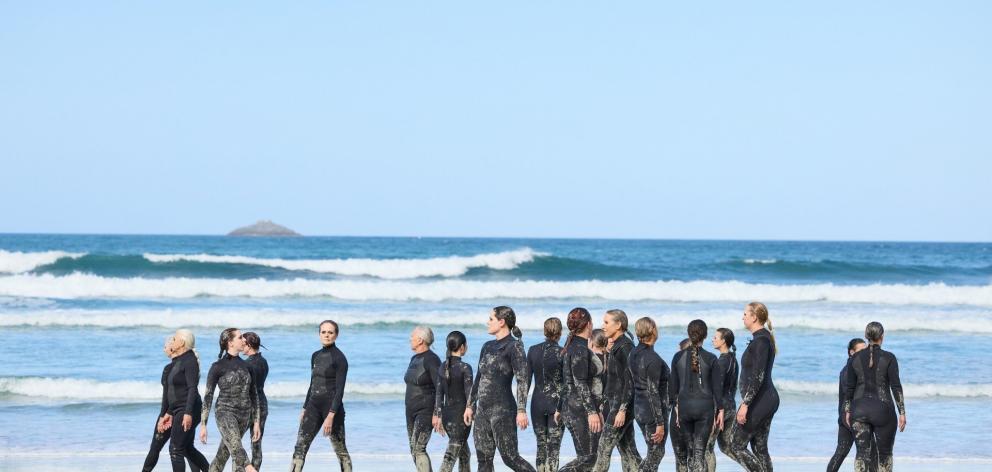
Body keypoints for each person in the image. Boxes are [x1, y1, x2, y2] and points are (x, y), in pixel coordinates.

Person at [464, 306, 536, 472]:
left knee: (510, 458)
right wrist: (470, 405)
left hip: (503, 410)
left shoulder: (514, 346)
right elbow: (479, 378)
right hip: (482, 411)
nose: (487, 322)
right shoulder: (487, 346)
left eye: (491, 319)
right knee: (483, 461)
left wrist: (521, 409)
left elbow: (522, 380)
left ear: (502, 322)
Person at [844, 322, 906, 472]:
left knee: (862, 454)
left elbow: (849, 387)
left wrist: (847, 410)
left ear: (866, 337)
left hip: (858, 411)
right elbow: (895, 387)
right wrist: (902, 412)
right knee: (884, 456)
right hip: (883, 412)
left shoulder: (855, 358)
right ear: (882, 337)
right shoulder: (889, 358)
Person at [290, 320, 352, 472]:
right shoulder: (315, 356)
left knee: (340, 450)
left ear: (336, 335)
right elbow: (312, 384)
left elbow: (340, 390)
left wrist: (330, 416)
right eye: (323, 332)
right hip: (313, 407)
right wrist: (305, 407)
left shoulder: (340, 358)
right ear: (319, 334)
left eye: (330, 332)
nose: (327, 335)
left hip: (332, 409)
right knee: (300, 446)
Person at [199, 328, 261, 472]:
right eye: (240, 337)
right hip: (224, 412)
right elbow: (208, 396)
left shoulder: (248, 366)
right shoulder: (217, 367)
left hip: (244, 416)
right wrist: (203, 424)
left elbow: (254, 395)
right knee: (236, 445)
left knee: (224, 454)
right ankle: (249, 467)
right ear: (230, 342)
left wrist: (256, 422)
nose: (244, 340)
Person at [729, 302, 780, 472]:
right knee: (759, 448)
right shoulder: (761, 339)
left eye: (745, 314)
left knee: (735, 445)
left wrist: (745, 404)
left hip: (760, 401)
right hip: (764, 399)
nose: (742, 317)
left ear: (754, 317)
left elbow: (758, 376)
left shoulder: (761, 341)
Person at [670, 320, 724, 472]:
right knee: (699, 454)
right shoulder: (712, 358)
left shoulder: (677, 357)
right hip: (704, 409)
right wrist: (720, 409)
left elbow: (672, 387)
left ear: (689, 334)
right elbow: (717, 388)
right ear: (705, 336)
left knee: (690, 452)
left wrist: (676, 407)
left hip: (685, 408)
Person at [592, 309, 641, 472]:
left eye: (606, 322)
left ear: (618, 324)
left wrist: (622, 410)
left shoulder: (625, 347)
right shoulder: (617, 345)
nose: (603, 326)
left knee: (603, 449)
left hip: (621, 407)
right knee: (629, 451)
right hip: (616, 405)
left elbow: (631, 381)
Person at [556, 307, 601, 472]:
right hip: (579, 410)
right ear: (589, 324)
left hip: (570, 407)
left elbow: (565, 381)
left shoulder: (569, 346)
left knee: (586, 457)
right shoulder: (580, 349)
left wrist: (560, 408)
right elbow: (579, 382)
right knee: (588, 459)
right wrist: (592, 412)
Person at [164, 329, 210, 472]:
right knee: (186, 448)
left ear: (182, 342)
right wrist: (169, 412)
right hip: (180, 409)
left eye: (175, 338)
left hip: (188, 409)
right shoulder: (180, 359)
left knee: (175, 449)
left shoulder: (190, 361)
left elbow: (192, 389)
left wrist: (188, 413)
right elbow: (175, 391)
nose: (172, 340)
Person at [628, 317, 670, 472]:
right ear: (652, 330)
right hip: (652, 412)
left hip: (639, 408)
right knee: (656, 453)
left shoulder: (633, 352)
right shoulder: (652, 359)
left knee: (652, 452)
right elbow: (653, 392)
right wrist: (660, 423)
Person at [528, 317, 566, 472]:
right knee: (553, 449)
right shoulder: (563, 353)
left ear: (544, 331)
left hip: (536, 403)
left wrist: (521, 409)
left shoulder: (532, 350)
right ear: (560, 333)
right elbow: (566, 385)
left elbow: (524, 382)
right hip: (556, 404)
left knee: (540, 446)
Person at [433, 331, 474, 472]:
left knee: (464, 454)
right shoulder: (465, 368)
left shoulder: (442, 366)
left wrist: (438, 415)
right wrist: (471, 410)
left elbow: (438, 394)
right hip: (461, 418)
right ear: (462, 347)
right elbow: (470, 395)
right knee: (449, 459)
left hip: (447, 416)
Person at [827, 338, 870, 472]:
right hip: (851, 417)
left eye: (866, 350)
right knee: (864, 452)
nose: (865, 353)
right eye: (861, 350)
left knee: (841, 452)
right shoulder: (849, 370)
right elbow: (849, 394)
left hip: (847, 416)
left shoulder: (857, 368)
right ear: (852, 352)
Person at [142, 335, 184, 472]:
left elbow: (167, 397)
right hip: (183, 414)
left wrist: (163, 415)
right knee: (187, 449)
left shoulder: (168, 369)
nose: (164, 349)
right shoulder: (187, 366)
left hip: (169, 414)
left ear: (172, 348)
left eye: (165, 347)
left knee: (155, 447)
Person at [406, 325, 442, 472]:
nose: (410, 339)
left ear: (420, 340)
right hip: (410, 411)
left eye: (412, 337)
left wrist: (437, 413)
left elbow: (440, 387)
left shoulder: (432, 360)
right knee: (413, 449)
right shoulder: (414, 358)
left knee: (419, 448)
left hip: (426, 410)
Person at [706, 328, 739, 472]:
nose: (713, 339)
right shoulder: (733, 359)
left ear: (723, 341)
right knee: (727, 447)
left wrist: (716, 411)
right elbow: (733, 386)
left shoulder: (720, 362)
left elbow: (717, 390)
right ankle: (754, 467)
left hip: (720, 409)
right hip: (731, 406)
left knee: (707, 447)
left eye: (715, 337)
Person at [241, 332, 269, 471]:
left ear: (249, 345)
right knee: (256, 443)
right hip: (262, 404)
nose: (241, 345)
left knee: (234, 441)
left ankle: (244, 468)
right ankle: (255, 468)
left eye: (243, 342)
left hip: (249, 406)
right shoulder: (263, 361)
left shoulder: (247, 364)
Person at [670, 338, 692, 472]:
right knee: (696, 456)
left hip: (679, 414)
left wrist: (678, 412)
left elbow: (673, 392)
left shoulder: (678, 365)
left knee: (681, 457)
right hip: (698, 414)